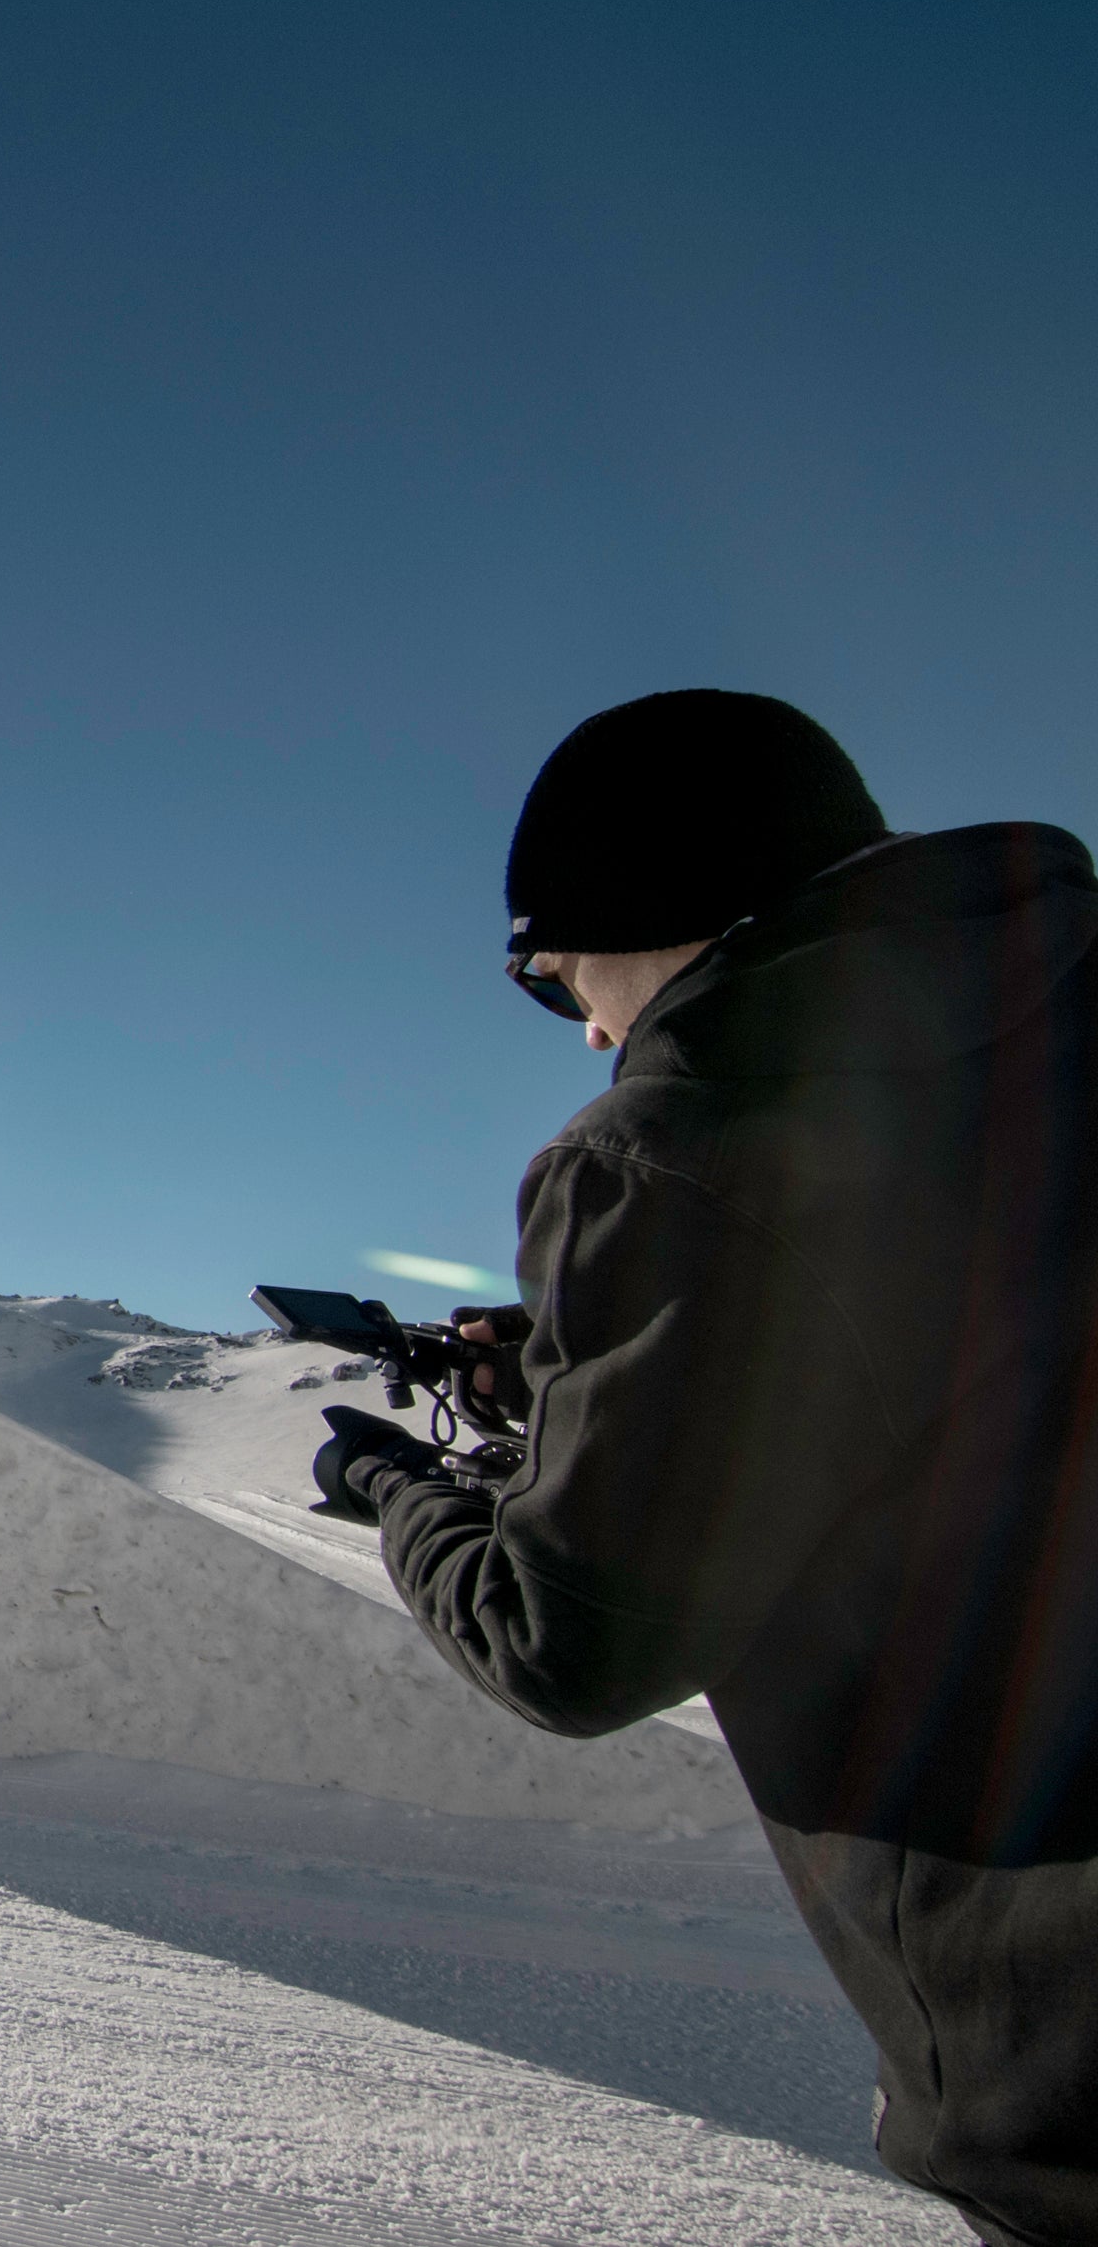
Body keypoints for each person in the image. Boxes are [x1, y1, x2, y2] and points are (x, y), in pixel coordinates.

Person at [310, 688, 1098, 2244]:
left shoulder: (675, 1142)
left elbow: (568, 1639)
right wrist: (575, 1367)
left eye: (555, 980)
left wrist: (403, 1490)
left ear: (642, 906)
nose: (590, 1027)